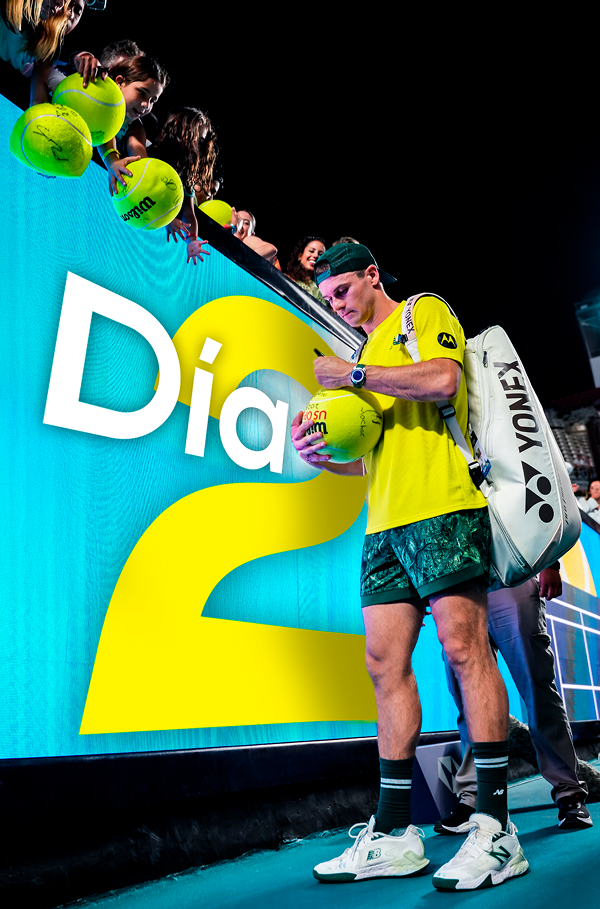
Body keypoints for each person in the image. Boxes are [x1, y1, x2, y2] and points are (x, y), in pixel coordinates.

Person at [291, 242, 528, 891]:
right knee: (382, 663)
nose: (336, 301)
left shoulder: (419, 312)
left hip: (445, 505)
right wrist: (322, 455)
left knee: (464, 649)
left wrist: (355, 378)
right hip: (385, 524)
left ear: (371, 275)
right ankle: (395, 833)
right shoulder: (363, 355)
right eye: (329, 295)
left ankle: (497, 827)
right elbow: (372, 455)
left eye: (342, 288)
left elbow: (444, 381)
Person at [437, 566, 592, 833]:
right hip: (457, 582)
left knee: (536, 684)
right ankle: (474, 798)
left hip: (510, 572)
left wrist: (551, 563)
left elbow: (542, 521)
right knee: (466, 696)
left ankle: (569, 792)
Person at [285, 236, 327, 303]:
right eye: (311, 251)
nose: (315, 255)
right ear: (300, 256)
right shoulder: (286, 280)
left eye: (320, 254)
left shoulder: (326, 290)